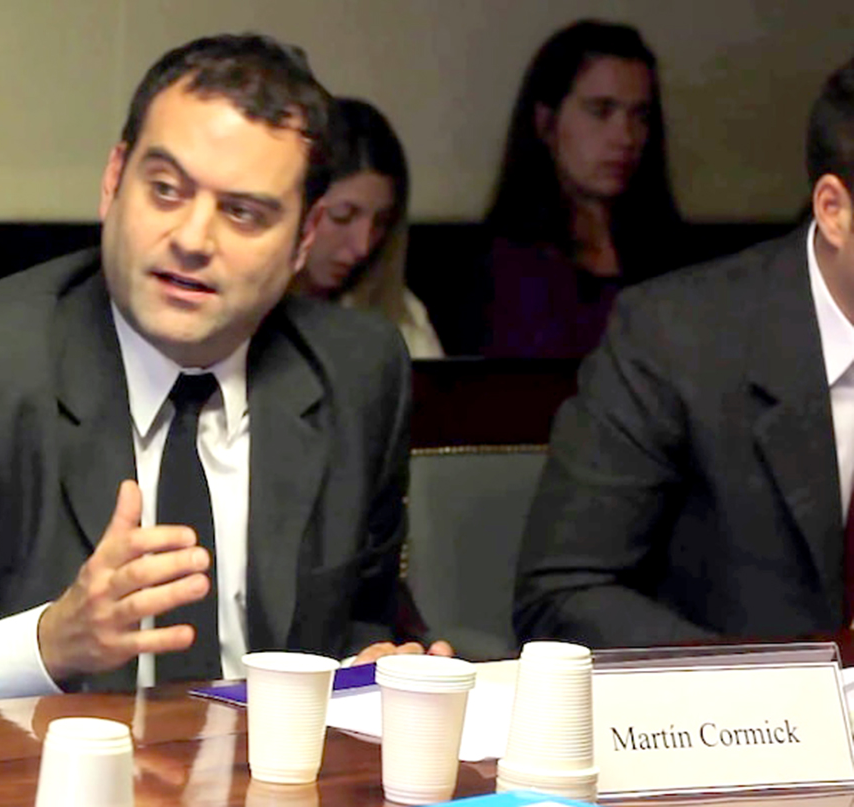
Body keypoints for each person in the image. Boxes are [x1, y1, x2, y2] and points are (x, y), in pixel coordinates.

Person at [0, 33, 450, 697]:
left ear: (303, 237)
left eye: (242, 213)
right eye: (165, 190)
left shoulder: (357, 372)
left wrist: (370, 663)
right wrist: (51, 641)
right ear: (113, 181)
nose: (191, 239)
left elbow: (357, 617)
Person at [514, 55, 854, 647]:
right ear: (834, 211)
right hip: (733, 698)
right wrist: (755, 684)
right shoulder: (676, 337)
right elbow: (565, 591)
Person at [480, 20, 682, 358]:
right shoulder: (510, 267)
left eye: (641, 116)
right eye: (601, 111)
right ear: (546, 122)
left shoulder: (672, 255)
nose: (626, 138)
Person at [293, 97, 444, 358]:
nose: (362, 247)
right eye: (343, 216)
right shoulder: (244, 310)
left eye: (381, 222)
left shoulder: (398, 313)